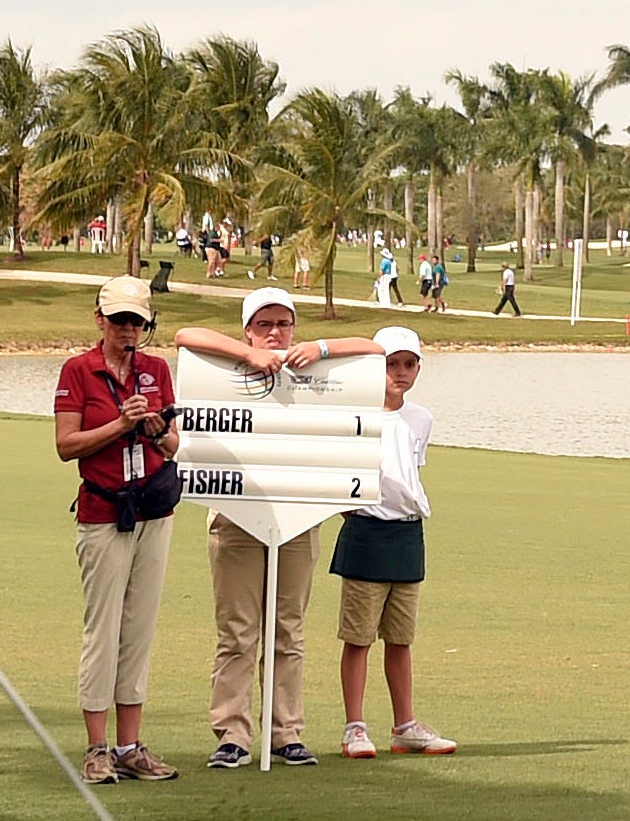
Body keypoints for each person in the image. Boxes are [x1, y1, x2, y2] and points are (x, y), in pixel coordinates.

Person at [206, 287, 384, 767]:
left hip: (296, 517)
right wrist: (248, 354)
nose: (274, 333)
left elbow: (375, 349)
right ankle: (233, 734)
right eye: (263, 325)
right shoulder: (228, 366)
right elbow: (186, 334)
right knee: (238, 631)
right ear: (247, 329)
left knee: (289, 629)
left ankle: (285, 732)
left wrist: (321, 350)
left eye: (283, 324)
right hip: (236, 513)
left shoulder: (312, 369)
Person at [54, 282, 188, 787]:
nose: (128, 330)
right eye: (119, 321)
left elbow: (173, 445)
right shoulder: (77, 370)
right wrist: (119, 424)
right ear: (100, 320)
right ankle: (97, 748)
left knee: (140, 628)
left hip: (153, 509)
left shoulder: (156, 371)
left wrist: (154, 428)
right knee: (102, 630)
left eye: (136, 322)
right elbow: (67, 446)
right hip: (102, 510)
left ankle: (130, 746)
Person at [332, 327, 457, 757]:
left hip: (407, 533)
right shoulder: (355, 414)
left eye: (409, 364)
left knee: (401, 639)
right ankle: (355, 727)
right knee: (359, 638)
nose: (400, 373)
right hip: (367, 532)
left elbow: (410, 471)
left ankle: (405, 724)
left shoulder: (421, 418)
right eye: (391, 364)